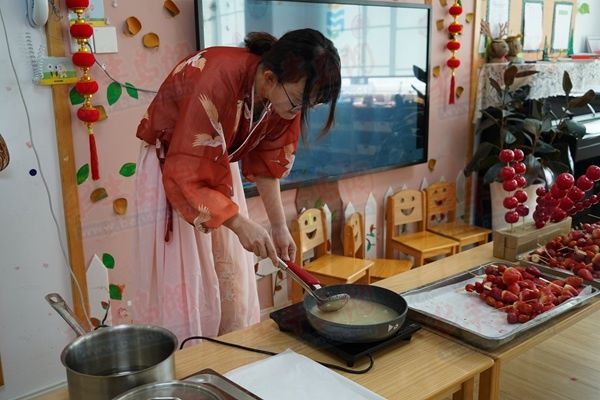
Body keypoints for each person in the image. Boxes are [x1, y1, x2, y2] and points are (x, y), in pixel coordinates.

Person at [130, 29, 341, 341]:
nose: (298, 112)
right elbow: (186, 170)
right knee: (193, 289)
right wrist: (240, 224)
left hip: (216, 168)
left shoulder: (283, 94)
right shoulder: (215, 77)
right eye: (298, 102)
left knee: (233, 285)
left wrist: (278, 226)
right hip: (173, 171)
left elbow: (268, 162)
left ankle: (230, 365)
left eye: (306, 105)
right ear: (269, 78)